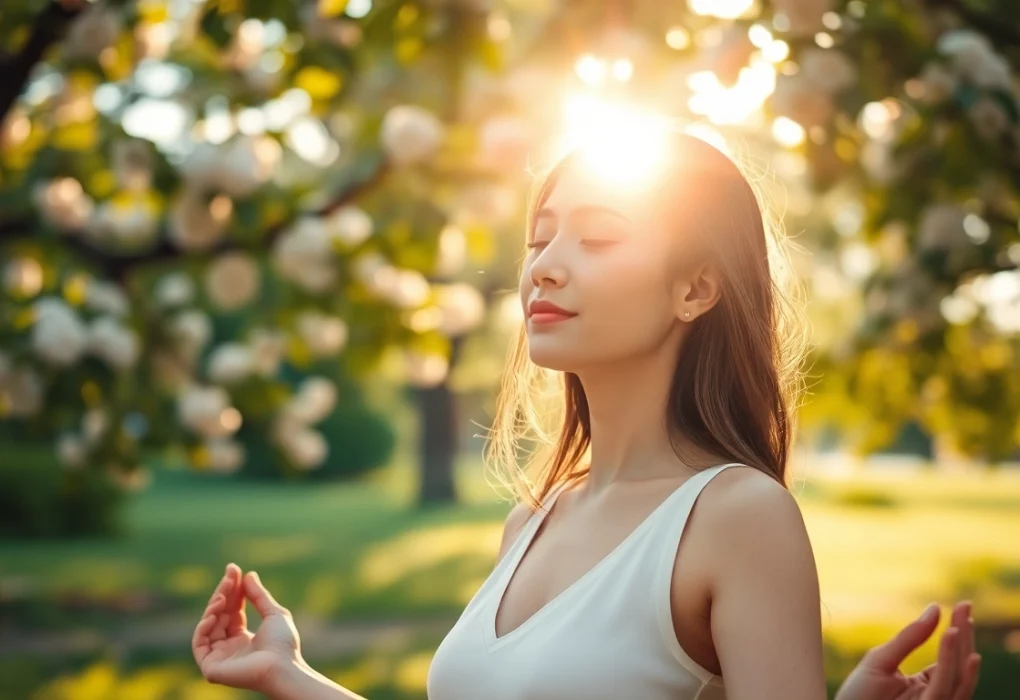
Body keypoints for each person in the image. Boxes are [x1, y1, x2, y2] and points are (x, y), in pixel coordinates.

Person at [192, 126, 983, 700]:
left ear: (696, 289)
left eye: (597, 237)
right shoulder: (534, 520)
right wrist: (287, 677)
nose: (545, 267)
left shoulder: (738, 516)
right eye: (540, 239)